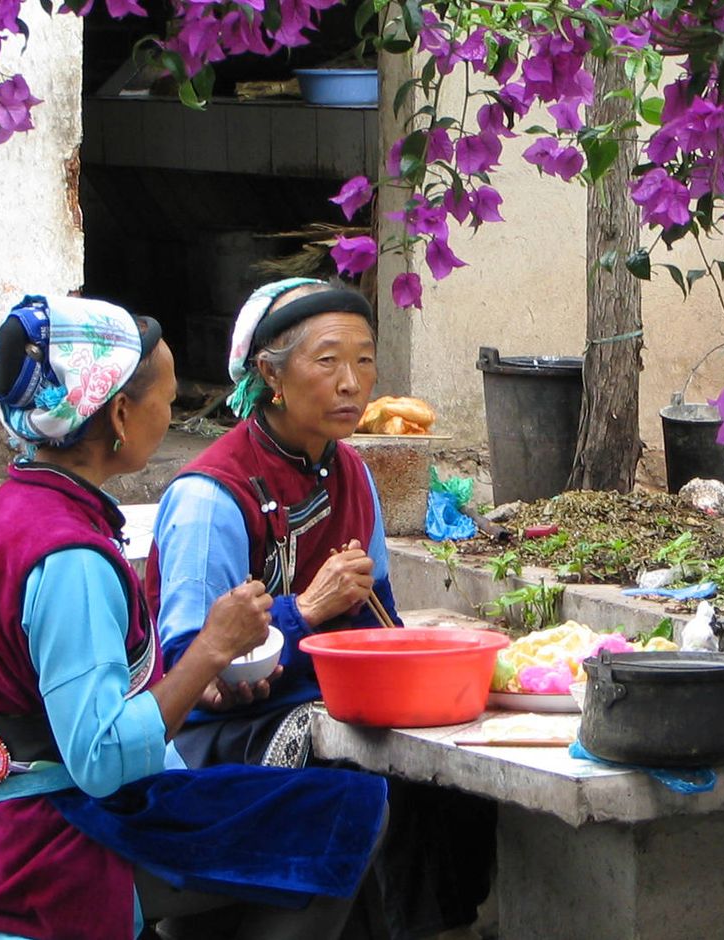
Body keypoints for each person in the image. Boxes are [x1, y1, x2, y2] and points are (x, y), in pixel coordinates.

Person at [0, 295, 386, 940]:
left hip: (7, 814)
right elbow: (100, 758)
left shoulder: (5, 513)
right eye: (168, 399)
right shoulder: (72, 557)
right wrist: (211, 650)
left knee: (294, 811)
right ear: (121, 413)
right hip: (54, 838)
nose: (173, 416)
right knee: (344, 815)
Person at [147, 278, 492, 939]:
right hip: (221, 731)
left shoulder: (353, 473)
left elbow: (380, 619)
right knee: (358, 785)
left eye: (364, 360)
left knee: (450, 776)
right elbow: (190, 673)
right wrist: (301, 610)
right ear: (271, 377)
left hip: (335, 699)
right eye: (327, 360)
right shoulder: (210, 498)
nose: (351, 382)